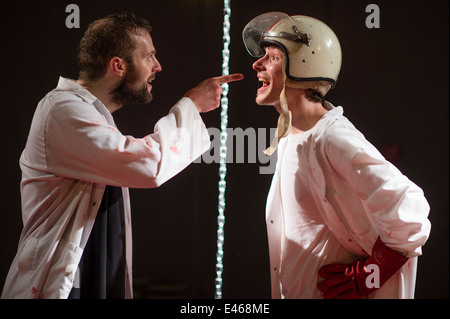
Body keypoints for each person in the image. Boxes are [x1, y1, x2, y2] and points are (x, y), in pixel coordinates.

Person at [2, 12, 243, 299]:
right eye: (149, 57)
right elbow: (148, 165)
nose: (158, 66)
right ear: (117, 65)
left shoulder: (92, 115)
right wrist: (190, 106)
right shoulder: (62, 108)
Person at [242, 12, 431, 299]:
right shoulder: (292, 134)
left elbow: (411, 210)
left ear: (305, 65)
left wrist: (370, 275)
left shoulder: (331, 137)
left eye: (272, 57)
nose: (257, 63)